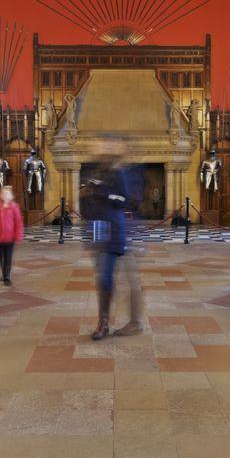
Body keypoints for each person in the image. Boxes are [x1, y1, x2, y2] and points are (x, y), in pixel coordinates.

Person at [81, 141, 142, 339]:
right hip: (98, 230)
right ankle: (104, 322)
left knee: (107, 277)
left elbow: (124, 200)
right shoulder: (94, 171)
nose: (100, 149)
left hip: (115, 231)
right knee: (103, 278)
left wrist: (102, 192)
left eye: (105, 147)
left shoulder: (119, 173)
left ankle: (107, 323)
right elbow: (87, 203)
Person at [0, 185, 23, 286]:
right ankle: (3, 273)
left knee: (8, 257)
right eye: (3, 193)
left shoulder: (14, 207)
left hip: (10, 237)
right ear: (0, 195)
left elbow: (18, 222)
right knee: (1, 257)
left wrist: (18, 235)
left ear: (11, 196)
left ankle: (7, 276)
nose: (5, 195)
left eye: (7, 194)